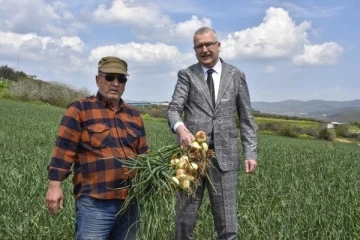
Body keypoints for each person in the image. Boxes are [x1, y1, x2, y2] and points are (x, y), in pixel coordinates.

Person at [167, 27, 258, 239]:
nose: (205, 49)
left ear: (218, 45)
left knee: (227, 225)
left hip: (225, 160)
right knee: (184, 221)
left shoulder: (236, 75)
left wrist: (251, 153)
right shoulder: (186, 75)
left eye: (209, 44)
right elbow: (173, 109)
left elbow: (246, 118)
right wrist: (181, 129)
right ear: (194, 49)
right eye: (199, 46)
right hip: (192, 159)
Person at [45, 56, 149, 240]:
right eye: (110, 77)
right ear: (98, 79)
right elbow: (63, 150)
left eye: (121, 79)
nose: (115, 83)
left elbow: (145, 156)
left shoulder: (134, 115)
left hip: (130, 202)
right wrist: (54, 186)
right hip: (95, 202)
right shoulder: (81, 109)